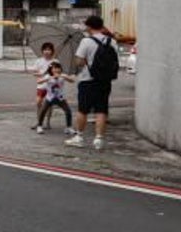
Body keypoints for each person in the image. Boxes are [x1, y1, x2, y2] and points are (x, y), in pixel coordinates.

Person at [65, 15, 117, 150]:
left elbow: (79, 61)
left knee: (83, 110)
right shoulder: (111, 41)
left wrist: (85, 60)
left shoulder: (86, 41)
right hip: (105, 80)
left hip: (88, 80)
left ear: (89, 26)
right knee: (101, 110)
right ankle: (99, 140)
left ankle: (79, 137)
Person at [34, 61, 77, 135]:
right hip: (49, 98)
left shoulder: (62, 75)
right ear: (51, 69)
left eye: (58, 68)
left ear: (60, 69)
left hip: (60, 98)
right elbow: (39, 82)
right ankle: (39, 126)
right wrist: (49, 78)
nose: (57, 70)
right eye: (54, 68)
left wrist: (65, 77)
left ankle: (68, 128)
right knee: (43, 111)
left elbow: (72, 80)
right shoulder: (48, 76)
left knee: (68, 111)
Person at [29, 42, 57, 127]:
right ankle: (39, 122)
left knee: (49, 105)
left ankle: (48, 122)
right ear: (42, 51)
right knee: (38, 103)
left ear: (52, 51)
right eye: (45, 49)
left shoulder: (55, 62)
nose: (47, 51)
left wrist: (52, 74)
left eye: (49, 49)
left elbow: (57, 74)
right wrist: (39, 75)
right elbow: (35, 72)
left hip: (51, 87)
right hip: (41, 86)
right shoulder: (39, 61)